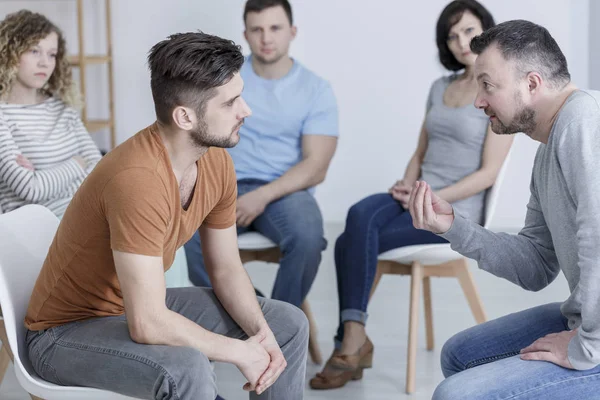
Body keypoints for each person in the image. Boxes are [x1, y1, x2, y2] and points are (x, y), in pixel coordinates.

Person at [24, 31, 308, 400]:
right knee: (186, 368)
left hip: (132, 307)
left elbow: (225, 268)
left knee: (286, 325)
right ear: (185, 116)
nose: (246, 110)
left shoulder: (216, 160)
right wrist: (240, 351)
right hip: (64, 335)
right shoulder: (137, 180)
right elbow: (148, 324)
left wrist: (261, 335)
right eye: (231, 102)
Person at [310, 0, 513, 390]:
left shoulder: (497, 91)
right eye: (452, 36)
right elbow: (420, 151)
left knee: (351, 242)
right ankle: (353, 340)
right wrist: (408, 185)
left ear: (486, 31)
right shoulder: (440, 87)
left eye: (468, 31)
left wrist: (432, 195)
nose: (460, 42)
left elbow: (488, 174)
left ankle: (349, 343)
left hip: (452, 209)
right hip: (418, 194)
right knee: (358, 215)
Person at [408, 19, 600, 400]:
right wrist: (453, 226)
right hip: (587, 321)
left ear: (531, 84)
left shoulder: (584, 122)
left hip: (595, 336)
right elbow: (536, 266)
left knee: (455, 394)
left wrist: (587, 346)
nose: (478, 101)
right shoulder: (548, 148)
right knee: (461, 355)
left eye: (487, 86)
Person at [184, 0, 339, 309]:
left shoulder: (316, 89)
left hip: (285, 191)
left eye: (275, 28)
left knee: (308, 238)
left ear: (292, 32)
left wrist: (263, 196)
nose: (266, 38)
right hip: (224, 185)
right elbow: (196, 138)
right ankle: (259, 317)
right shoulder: (222, 79)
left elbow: (316, 165)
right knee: (188, 235)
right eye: (257, 29)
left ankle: (281, 326)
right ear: (245, 34)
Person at [0, 10, 101, 218]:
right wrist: (77, 164)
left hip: (84, 212)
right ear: (9, 53)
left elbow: (99, 168)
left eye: (51, 54)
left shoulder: (62, 107)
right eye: (34, 51)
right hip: (35, 230)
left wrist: (44, 177)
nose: (45, 63)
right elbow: (31, 189)